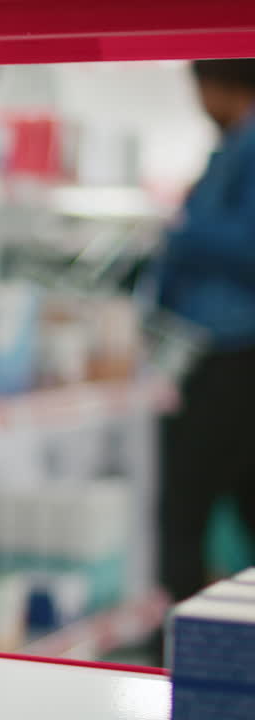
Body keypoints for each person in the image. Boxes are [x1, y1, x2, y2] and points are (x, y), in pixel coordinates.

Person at [156, 59, 255, 617]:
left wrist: (181, 229)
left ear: (216, 84)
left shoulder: (249, 147)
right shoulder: (232, 147)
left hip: (232, 355)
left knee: (184, 509)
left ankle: (186, 645)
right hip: (227, 353)